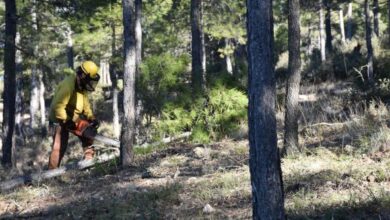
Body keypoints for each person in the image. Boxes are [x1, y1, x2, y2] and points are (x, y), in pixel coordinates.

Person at [48, 61, 100, 169]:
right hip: (58, 117)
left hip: (71, 115)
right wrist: (66, 121)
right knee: (59, 147)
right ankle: (51, 175)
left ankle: (89, 163)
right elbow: (58, 106)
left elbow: (85, 104)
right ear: (83, 75)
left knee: (88, 134)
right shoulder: (68, 85)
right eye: (89, 80)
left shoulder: (82, 86)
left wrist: (91, 117)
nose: (90, 83)